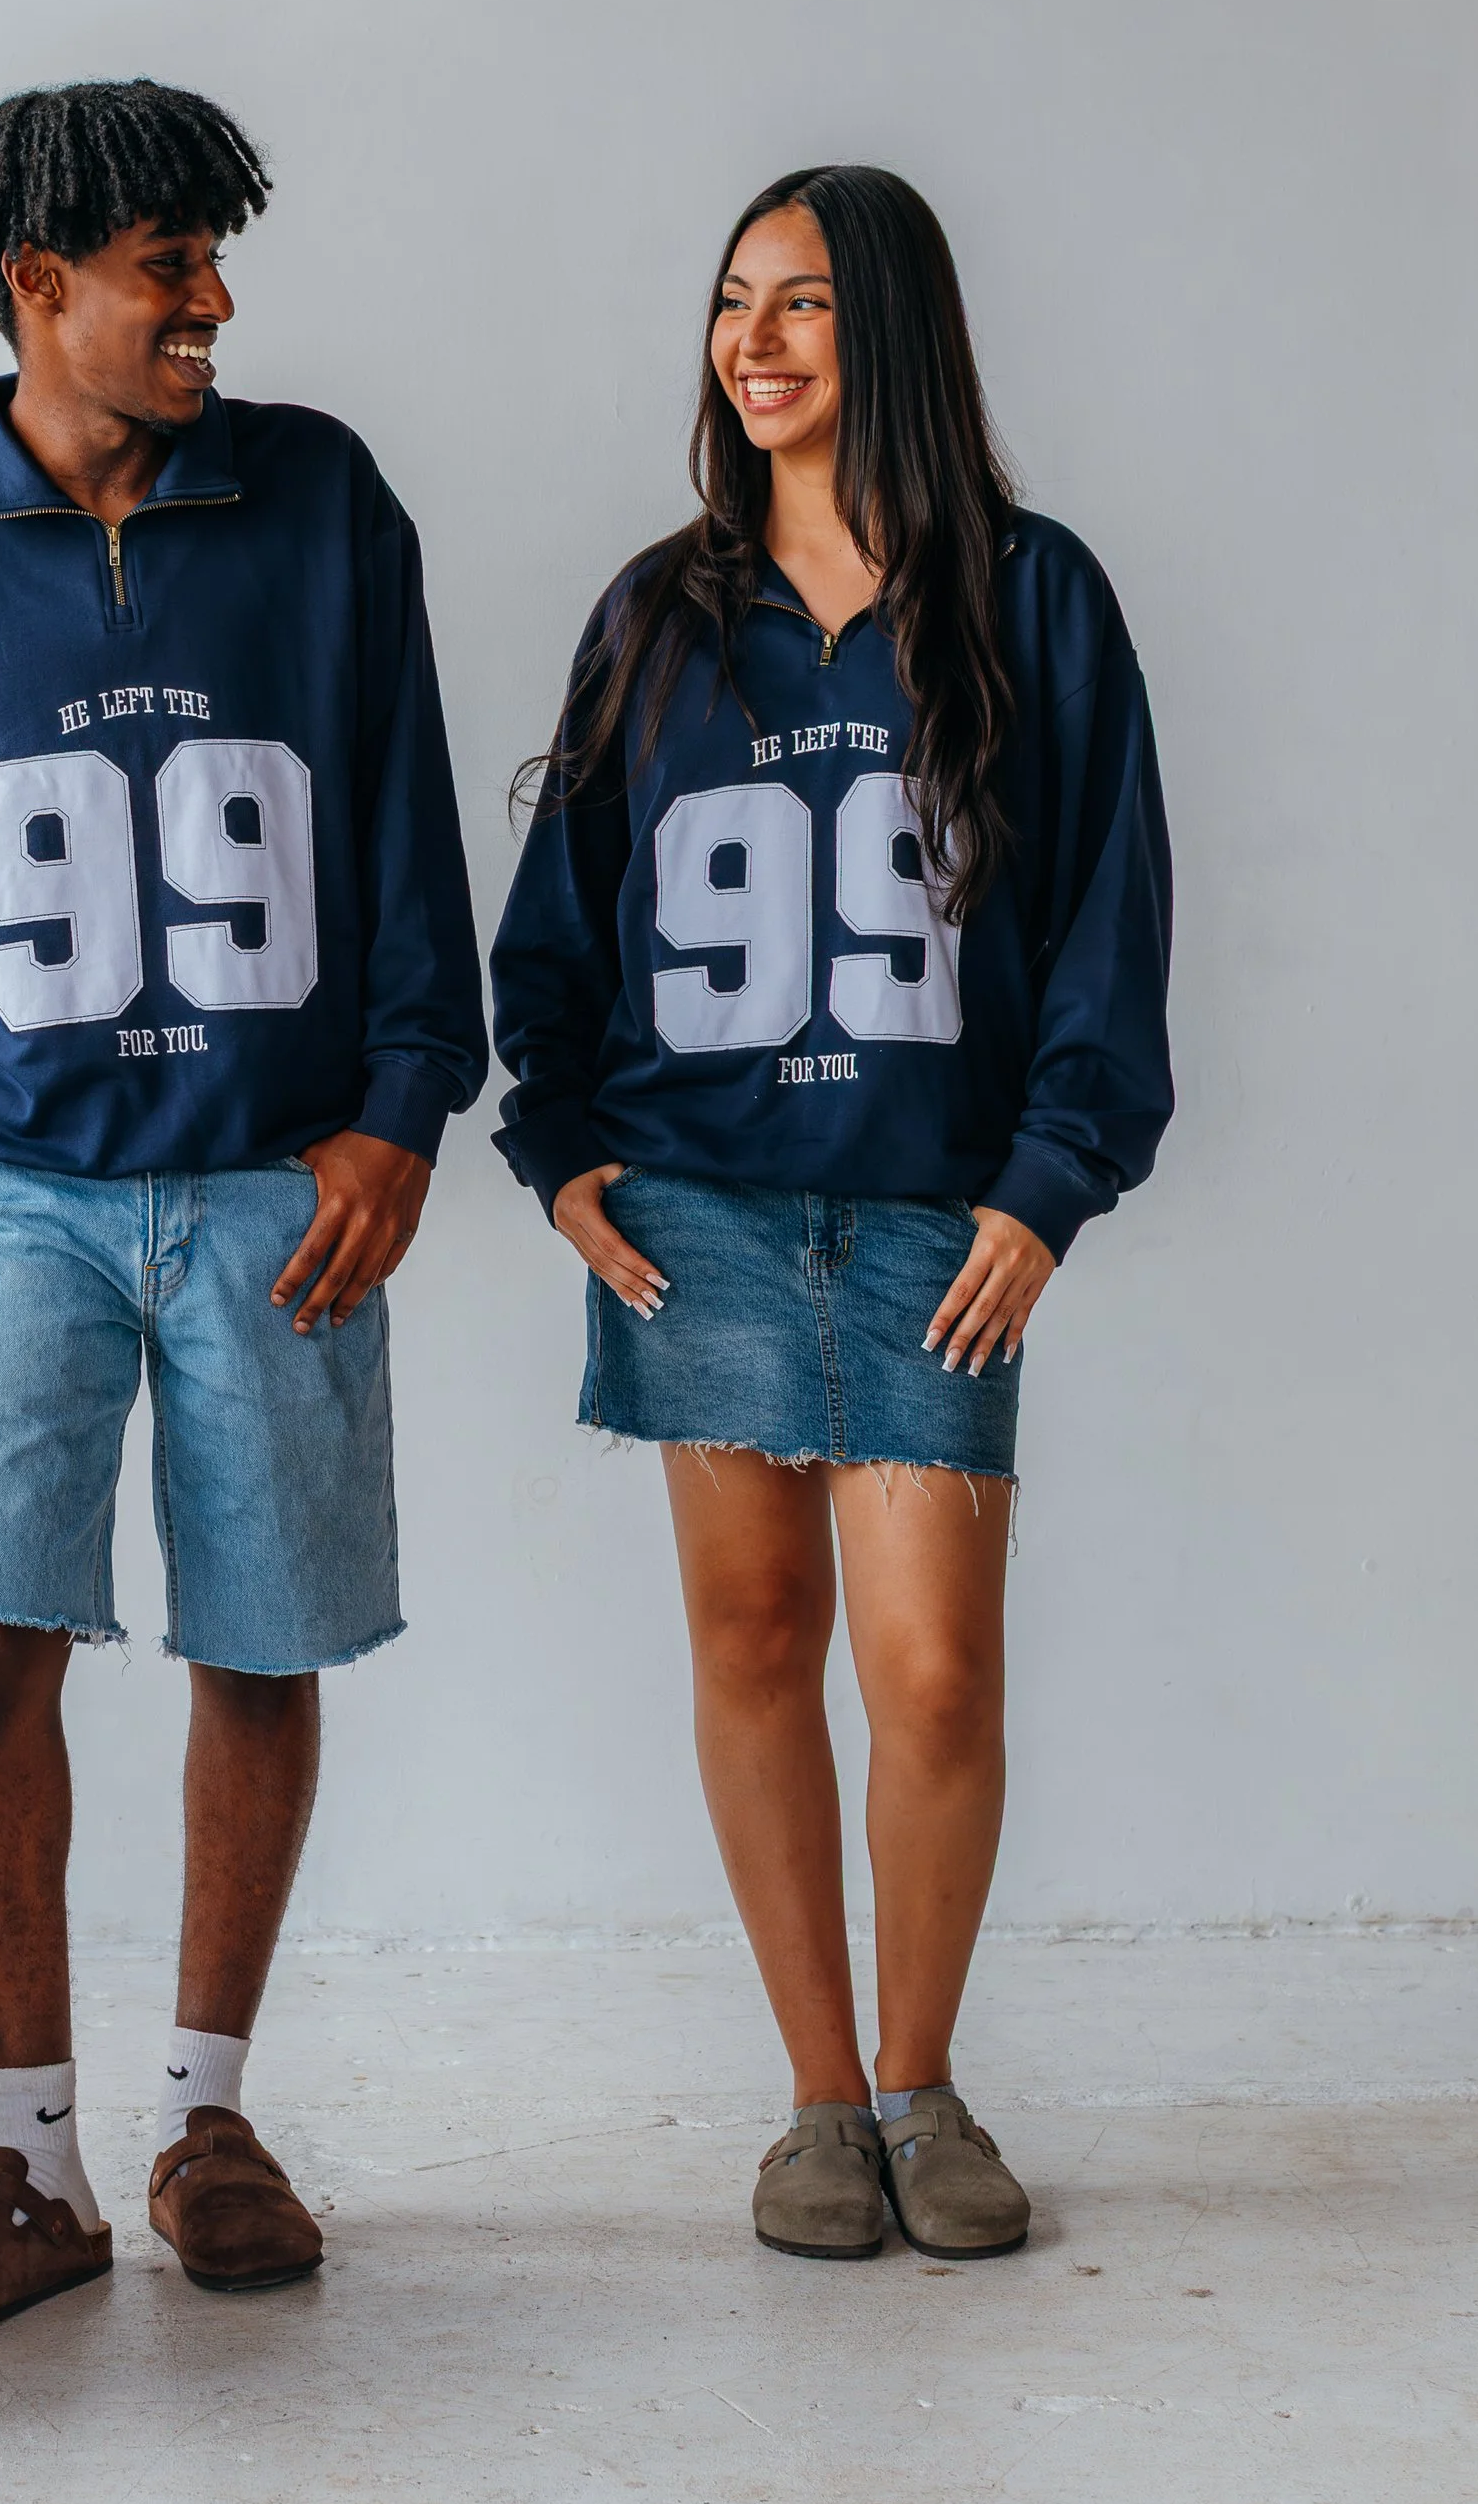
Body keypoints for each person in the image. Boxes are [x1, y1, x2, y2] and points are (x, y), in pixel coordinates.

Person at [0, 78, 486, 2338]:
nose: (214, 301)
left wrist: (398, 1111)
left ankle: (205, 2119)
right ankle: (28, 2157)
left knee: (256, 1643)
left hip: (282, 1186)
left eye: (211, 258)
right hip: (19, 1195)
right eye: (169, 265)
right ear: (34, 284)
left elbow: (401, 827)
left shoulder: (318, 496)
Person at [490, 165, 1171, 2262]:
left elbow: (1103, 932)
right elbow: (558, 930)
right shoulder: (655, 611)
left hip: (924, 1225)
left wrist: (1047, 1190)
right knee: (752, 1637)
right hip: (694, 1213)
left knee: (933, 1671)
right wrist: (556, 1145)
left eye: (796, 303)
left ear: (889, 329)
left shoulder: (1028, 597)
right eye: (725, 304)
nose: (751, 342)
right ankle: (811, 2105)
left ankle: (920, 2083)